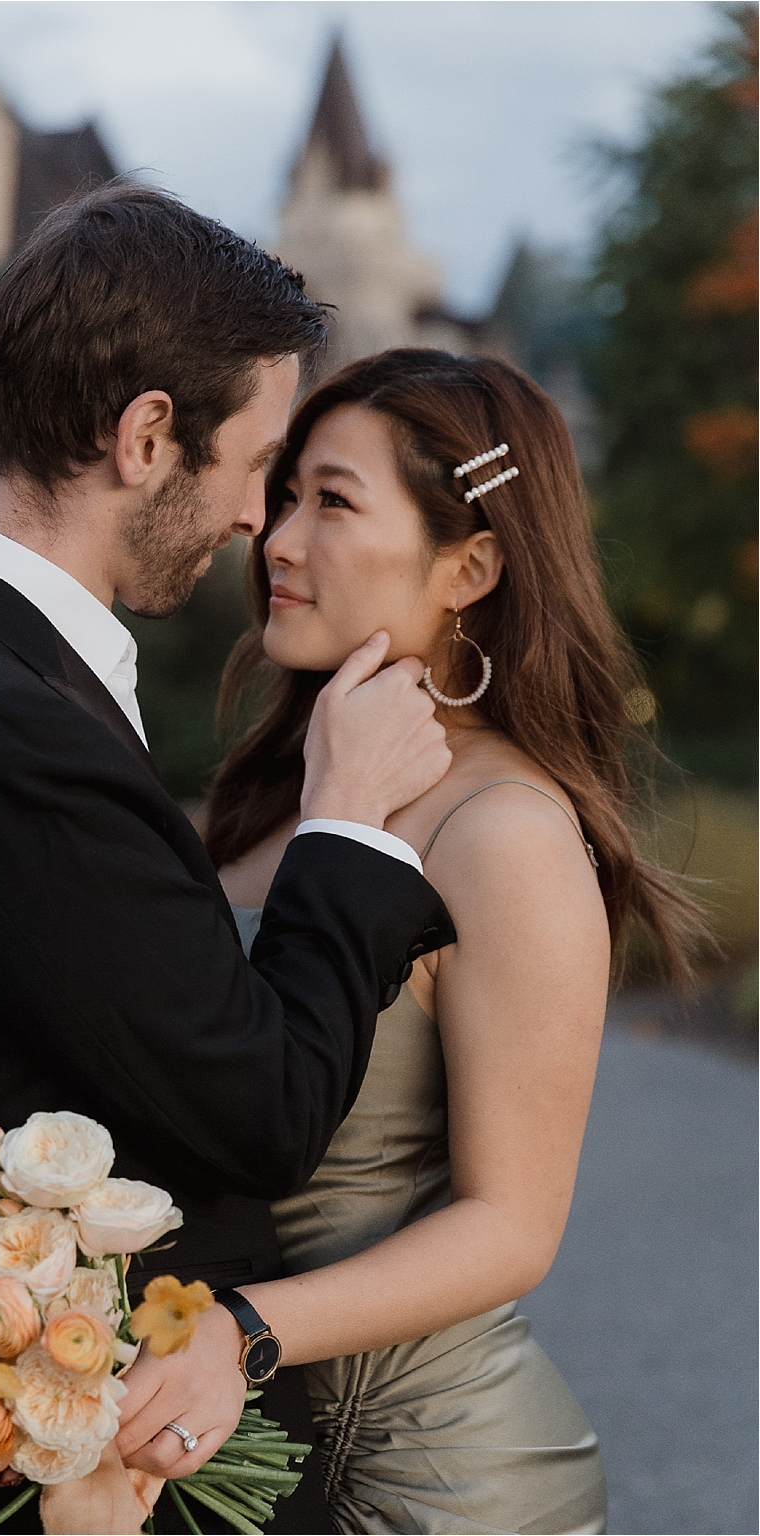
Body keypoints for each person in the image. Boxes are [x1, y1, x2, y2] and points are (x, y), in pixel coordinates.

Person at [0, 180, 457, 1534]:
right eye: (257, 463)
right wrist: (343, 822)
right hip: (73, 1475)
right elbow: (259, 1110)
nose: (256, 522)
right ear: (149, 436)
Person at [196, 349, 701, 1532]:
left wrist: (239, 1334)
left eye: (329, 501)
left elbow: (510, 1226)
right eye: (281, 498)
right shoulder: (287, 791)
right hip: (241, 1450)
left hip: (431, 1478)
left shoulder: (501, 835)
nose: (273, 540)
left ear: (469, 565)